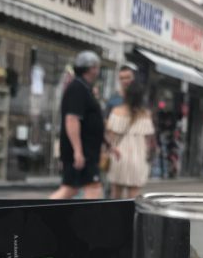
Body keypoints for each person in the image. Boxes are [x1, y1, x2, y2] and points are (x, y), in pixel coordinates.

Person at [50, 50, 104, 200]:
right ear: (91, 68)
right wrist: (78, 151)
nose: (98, 70)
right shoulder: (77, 88)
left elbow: (91, 121)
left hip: (86, 150)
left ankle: (40, 215)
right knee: (92, 187)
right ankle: (89, 221)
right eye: (96, 67)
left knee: (70, 189)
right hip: (82, 151)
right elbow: (72, 120)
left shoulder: (83, 88)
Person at [106, 80, 155, 199]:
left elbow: (109, 136)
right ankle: (129, 217)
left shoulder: (116, 111)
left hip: (119, 157)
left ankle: (115, 217)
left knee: (115, 196)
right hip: (138, 159)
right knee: (133, 197)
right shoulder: (146, 115)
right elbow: (148, 140)